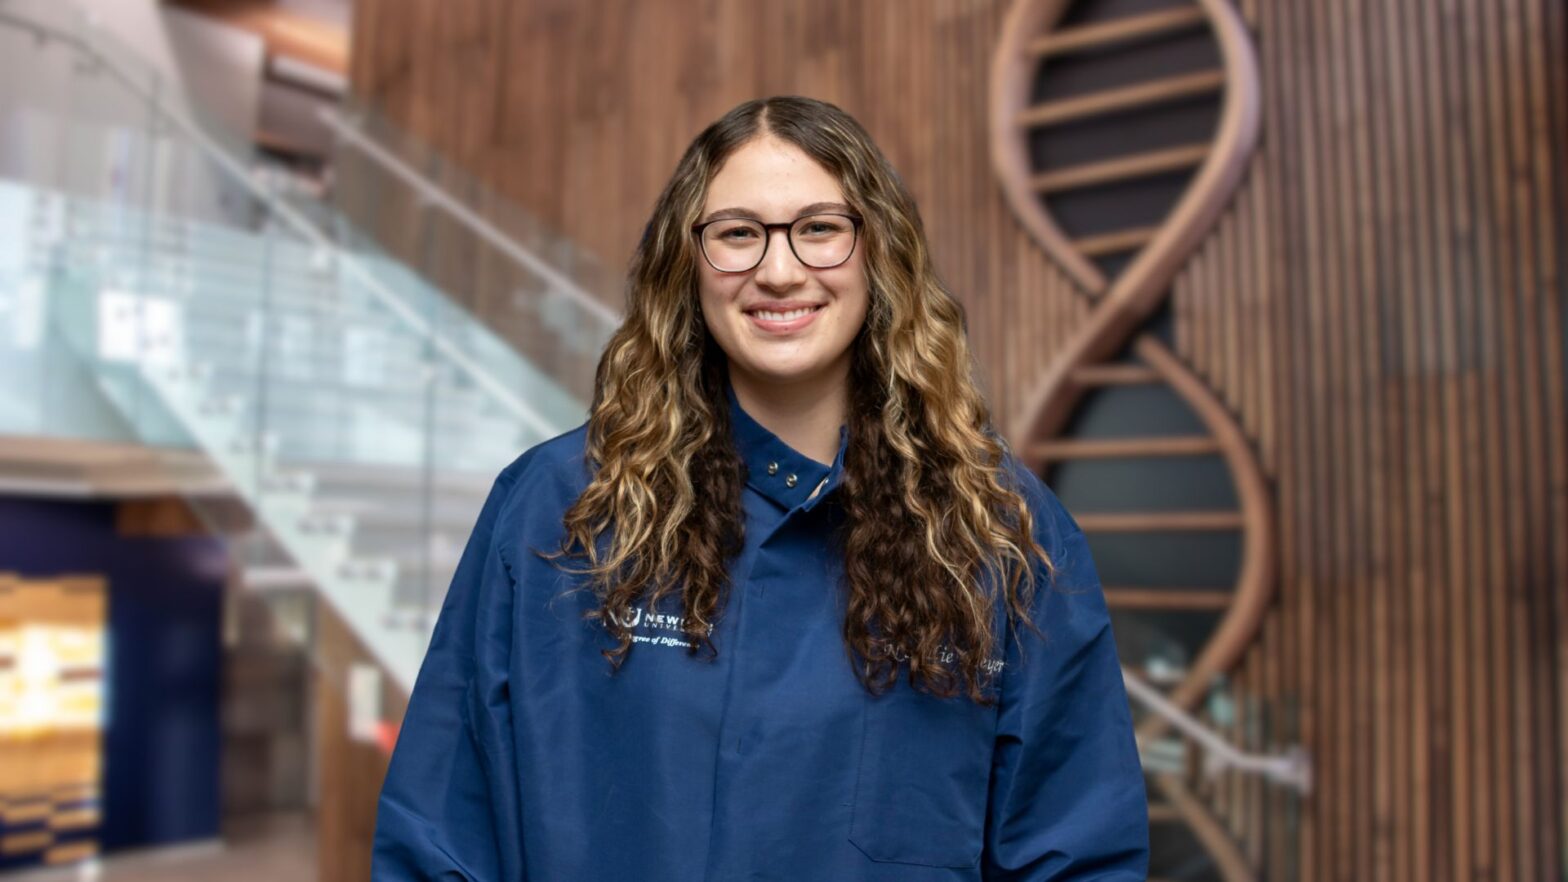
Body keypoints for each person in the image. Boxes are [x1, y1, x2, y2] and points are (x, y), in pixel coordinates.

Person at [371, 95, 1148, 881]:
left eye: (819, 229)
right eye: (738, 234)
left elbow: (1076, 854)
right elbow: (440, 834)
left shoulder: (1003, 534)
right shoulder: (557, 511)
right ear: (689, 265)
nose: (779, 272)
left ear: (879, 253)